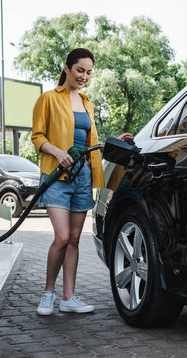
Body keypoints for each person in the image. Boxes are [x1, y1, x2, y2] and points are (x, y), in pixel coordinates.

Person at [31, 48, 132, 315]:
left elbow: (88, 142)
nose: (84, 76)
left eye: (88, 72)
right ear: (67, 68)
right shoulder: (48, 99)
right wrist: (57, 151)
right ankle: (48, 294)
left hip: (82, 176)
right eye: (79, 70)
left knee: (74, 239)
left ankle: (68, 297)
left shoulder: (87, 103)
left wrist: (114, 142)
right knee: (62, 237)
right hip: (56, 176)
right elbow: (38, 137)